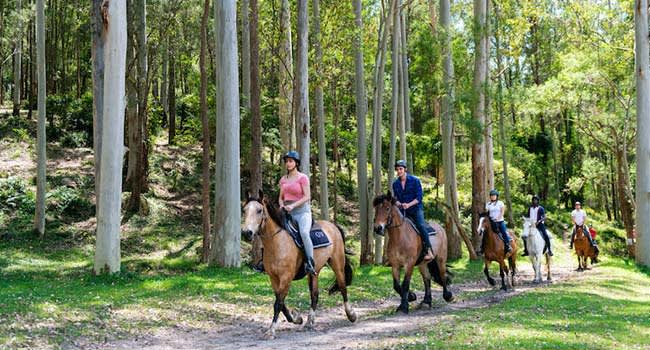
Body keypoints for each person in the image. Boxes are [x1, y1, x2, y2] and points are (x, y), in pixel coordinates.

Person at [279, 151, 316, 275]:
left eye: (291, 161)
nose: (288, 164)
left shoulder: (302, 177)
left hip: (302, 212)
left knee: (304, 233)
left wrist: (293, 205)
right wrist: (281, 204)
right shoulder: (283, 179)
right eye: (286, 161)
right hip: (288, 213)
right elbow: (281, 197)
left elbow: (307, 196)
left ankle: (310, 262)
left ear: (296, 163)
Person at [392, 160, 434, 261]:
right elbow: (396, 198)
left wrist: (408, 204)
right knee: (394, 226)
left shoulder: (415, 180)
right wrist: (398, 204)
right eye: (397, 169)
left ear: (405, 169)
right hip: (402, 210)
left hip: (416, 209)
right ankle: (393, 253)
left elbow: (419, 197)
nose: (399, 171)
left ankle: (429, 250)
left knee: (420, 225)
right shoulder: (395, 184)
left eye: (401, 169)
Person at [485, 189, 512, 254]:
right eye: (491, 195)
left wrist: (498, 218)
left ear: (497, 196)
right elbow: (487, 212)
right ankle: (482, 248)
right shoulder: (488, 204)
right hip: (491, 222)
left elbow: (502, 212)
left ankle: (508, 246)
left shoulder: (500, 203)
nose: (493, 197)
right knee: (485, 234)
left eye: (494, 195)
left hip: (500, 221)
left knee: (504, 232)